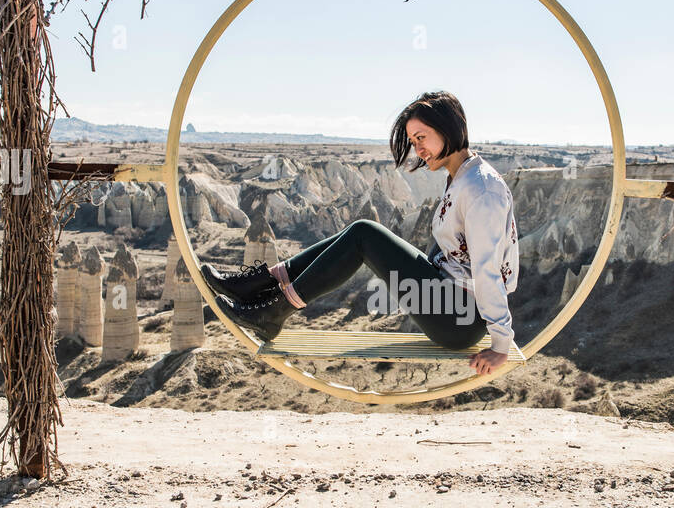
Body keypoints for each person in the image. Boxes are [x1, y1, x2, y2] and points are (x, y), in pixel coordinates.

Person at [205, 90, 519, 375]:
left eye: (421, 137)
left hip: (458, 318)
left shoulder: (482, 188)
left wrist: (501, 345)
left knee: (364, 235)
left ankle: (273, 311)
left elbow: (488, 269)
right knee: (360, 232)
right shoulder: (462, 177)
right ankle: (258, 286)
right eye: (413, 141)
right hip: (449, 297)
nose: (417, 149)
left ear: (449, 129)